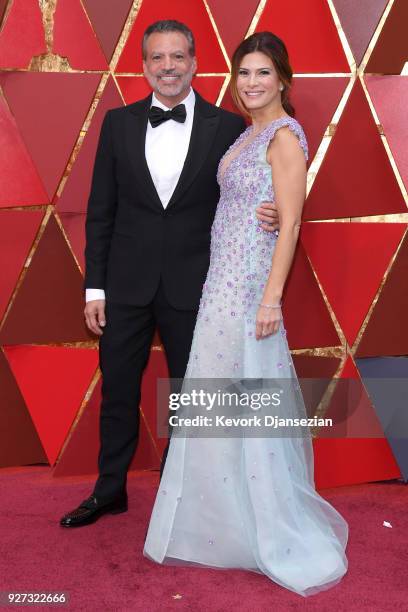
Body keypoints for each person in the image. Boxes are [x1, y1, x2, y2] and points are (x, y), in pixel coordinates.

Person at [143, 31, 349, 597]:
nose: (252, 83)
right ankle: (221, 525)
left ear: (283, 79)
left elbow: (290, 223)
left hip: (251, 290)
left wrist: (271, 298)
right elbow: (253, 204)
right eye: (243, 74)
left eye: (262, 73)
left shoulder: (284, 136)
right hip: (220, 287)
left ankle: (266, 527)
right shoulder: (247, 135)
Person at [59, 20, 279, 528]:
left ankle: (179, 492)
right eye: (157, 58)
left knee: (190, 394)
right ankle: (108, 490)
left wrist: (272, 210)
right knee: (118, 390)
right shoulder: (117, 123)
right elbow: (101, 211)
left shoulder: (227, 127)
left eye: (177, 57)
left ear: (195, 63)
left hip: (197, 285)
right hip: (125, 285)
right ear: (144, 67)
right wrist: (95, 287)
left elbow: (252, 186)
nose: (168, 67)